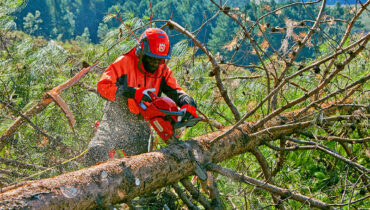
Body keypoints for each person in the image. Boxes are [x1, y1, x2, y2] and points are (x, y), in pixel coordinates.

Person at [86, 28, 198, 165]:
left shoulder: (163, 71)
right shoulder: (124, 63)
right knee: (96, 152)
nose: (156, 64)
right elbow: (102, 86)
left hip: (140, 124)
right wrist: (131, 92)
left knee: (140, 167)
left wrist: (188, 103)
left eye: (160, 60)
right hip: (114, 119)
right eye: (152, 59)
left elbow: (177, 91)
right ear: (141, 51)